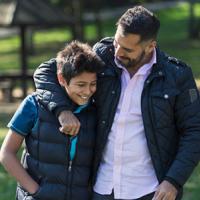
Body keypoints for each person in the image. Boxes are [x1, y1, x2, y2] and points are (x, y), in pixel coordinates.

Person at [33, 6, 200, 200]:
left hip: (151, 190)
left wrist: (173, 181)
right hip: (101, 188)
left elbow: (194, 132)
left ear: (150, 46)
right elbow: (45, 71)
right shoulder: (103, 54)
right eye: (117, 42)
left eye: (127, 49)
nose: (118, 51)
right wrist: (62, 111)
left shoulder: (177, 75)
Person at [0, 40, 103, 200]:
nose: (88, 91)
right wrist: (36, 191)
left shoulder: (95, 112)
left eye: (93, 84)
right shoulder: (33, 105)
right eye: (81, 84)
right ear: (62, 79)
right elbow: (6, 153)